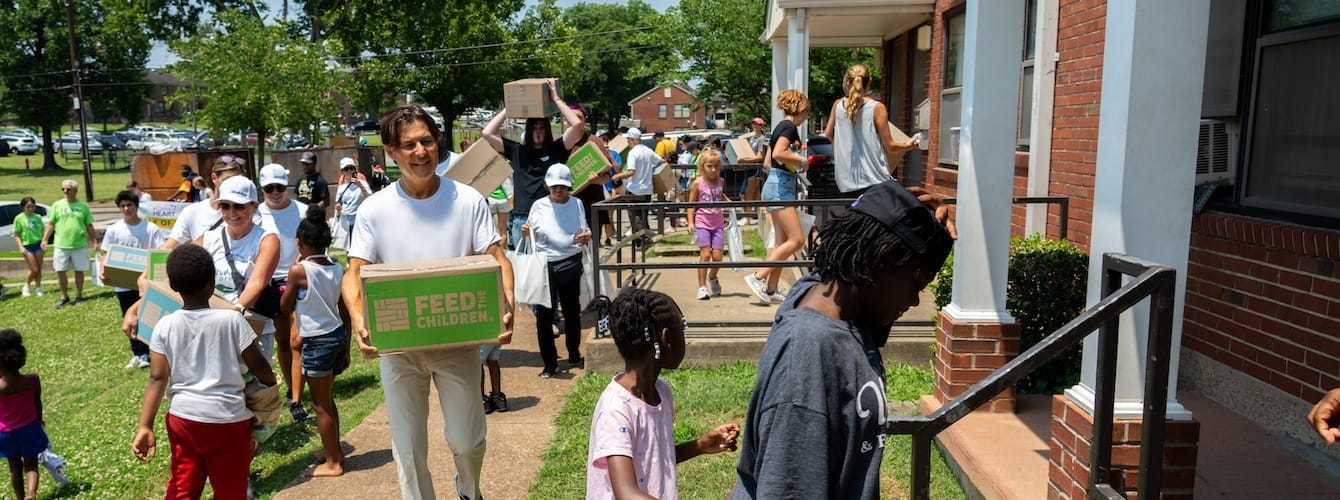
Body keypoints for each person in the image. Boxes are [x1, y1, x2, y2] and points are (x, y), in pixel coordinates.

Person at [732, 180, 954, 498]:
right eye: (916, 283)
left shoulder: (825, 291)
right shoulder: (806, 357)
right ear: (881, 263)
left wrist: (932, 237)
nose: (916, 300)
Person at [342, 105, 516, 500]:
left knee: (468, 441)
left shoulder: (468, 200)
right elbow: (354, 272)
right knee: (408, 450)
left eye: (427, 141)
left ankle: (468, 489)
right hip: (399, 347)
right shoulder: (375, 210)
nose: (421, 152)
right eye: (409, 145)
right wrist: (358, 319)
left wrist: (508, 304)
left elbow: (496, 258)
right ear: (391, 151)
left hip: (457, 341)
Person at [131, 245, 278, 499]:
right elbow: (258, 364)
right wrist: (268, 385)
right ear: (212, 284)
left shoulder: (165, 325)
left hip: (183, 418)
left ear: (173, 287)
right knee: (231, 488)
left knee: (183, 486)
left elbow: (157, 377)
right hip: (228, 419)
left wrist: (145, 425)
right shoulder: (232, 320)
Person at [585, 289, 740, 499]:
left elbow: (653, 457)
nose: (684, 336)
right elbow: (626, 492)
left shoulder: (661, 391)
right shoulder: (616, 410)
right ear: (667, 338)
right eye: (682, 327)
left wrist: (699, 446)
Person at [279, 205, 348, 476]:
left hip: (316, 341)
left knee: (320, 405)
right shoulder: (337, 267)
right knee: (327, 400)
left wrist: (292, 277)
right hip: (337, 335)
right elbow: (343, 309)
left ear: (300, 242)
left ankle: (332, 463)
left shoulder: (299, 271)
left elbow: (285, 307)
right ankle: (335, 450)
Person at [482, 77, 585, 250]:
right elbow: (487, 133)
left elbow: (576, 124)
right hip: (523, 219)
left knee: (547, 267)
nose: (538, 132)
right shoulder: (517, 150)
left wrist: (556, 99)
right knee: (526, 270)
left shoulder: (557, 149)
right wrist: (510, 108)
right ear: (528, 130)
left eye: (542, 128)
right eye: (534, 128)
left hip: (551, 214)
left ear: (547, 130)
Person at [522, 164, 591, 378]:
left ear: (568, 187)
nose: (558, 190)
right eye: (554, 187)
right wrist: (526, 232)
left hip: (570, 261)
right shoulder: (539, 206)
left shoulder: (577, 203)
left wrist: (586, 236)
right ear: (547, 186)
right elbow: (529, 233)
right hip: (545, 264)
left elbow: (585, 228)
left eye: (562, 187)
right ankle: (550, 363)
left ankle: (573, 352)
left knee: (572, 312)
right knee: (544, 316)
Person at [743, 90, 810, 305]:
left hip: (775, 185)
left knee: (782, 242)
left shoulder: (780, 126)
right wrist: (801, 161)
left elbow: (767, 163)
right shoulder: (789, 127)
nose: (806, 117)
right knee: (797, 240)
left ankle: (771, 290)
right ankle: (757, 277)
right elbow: (779, 154)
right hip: (781, 188)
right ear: (800, 109)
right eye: (806, 112)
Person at [258, 163, 311, 422]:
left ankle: (298, 397)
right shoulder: (256, 213)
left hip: (297, 278)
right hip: (268, 283)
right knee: (282, 340)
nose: (275, 192)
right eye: (269, 188)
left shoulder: (301, 210)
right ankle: (292, 388)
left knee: (297, 340)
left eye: (279, 187)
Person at [823, 63, 919, 196]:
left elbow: (828, 134)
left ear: (847, 81)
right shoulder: (877, 108)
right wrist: (908, 145)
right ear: (868, 83)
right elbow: (890, 146)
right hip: (874, 181)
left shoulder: (838, 105)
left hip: (846, 182)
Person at [100, 190, 167, 369]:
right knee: (128, 317)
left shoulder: (150, 228)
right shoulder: (114, 229)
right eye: (123, 206)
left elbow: (159, 253)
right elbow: (106, 253)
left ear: (136, 206)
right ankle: (136, 353)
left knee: (146, 316)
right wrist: (103, 271)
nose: (126, 208)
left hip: (145, 282)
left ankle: (148, 352)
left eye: (130, 205)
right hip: (122, 284)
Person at [0, 329, 49, 500]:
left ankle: (20, 498)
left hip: (6, 433)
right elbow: (37, 402)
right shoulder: (32, 380)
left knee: (14, 468)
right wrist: (39, 419)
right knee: (31, 464)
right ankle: (31, 494)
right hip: (30, 427)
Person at [162, 156, 249, 250]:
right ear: (214, 178)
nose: (233, 186)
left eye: (238, 181)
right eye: (227, 180)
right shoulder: (192, 212)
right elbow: (169, 247)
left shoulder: (250, 213)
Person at [565, 103, 616, 252]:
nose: (576, 120)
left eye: (579, 117)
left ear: (585, 120)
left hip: (592, 200)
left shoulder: (594, 141)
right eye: (572, 117)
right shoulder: (559, 142)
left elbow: (608, 174)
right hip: (567, 201)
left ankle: (592, 273)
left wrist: (598, 180)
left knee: (591, 244)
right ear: (565, 120)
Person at [42, 180, 96, 309]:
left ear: (75, 191)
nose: (65, 192)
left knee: (79, 271)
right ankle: (64, 296)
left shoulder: (83, 206)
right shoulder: (57, 205)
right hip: (61, 244)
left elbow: (89, 225)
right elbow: (51, 224)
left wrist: (94, 241)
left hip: (79, 244)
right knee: (60, 270)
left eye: (68, 189)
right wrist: (44, 239)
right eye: (63, 189)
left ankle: (79, 295)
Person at [688, 150, 729, 300]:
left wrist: (729, 204)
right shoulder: (697, 184)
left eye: (716, 167)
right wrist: (691, 222)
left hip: (717, 222)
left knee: (718, 257)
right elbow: (691, 205)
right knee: (705, 255)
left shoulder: (721, 181)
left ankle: (712, 276)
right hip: (702, 222)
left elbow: (719, 195)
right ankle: (702, 286)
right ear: (702, 166)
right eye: (709, 166)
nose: (713, 170)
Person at [610, 128, 661, 246]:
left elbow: (631, 171)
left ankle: (642, 239)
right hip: (647, 189)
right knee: (644, 215)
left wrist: (617, 176)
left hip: (634, 189)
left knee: (635, 216)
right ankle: (644, 238)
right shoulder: (648, 150)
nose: (627, 141)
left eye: (628, 139)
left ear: (633, 140)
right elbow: (660, 161)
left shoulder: (633, 153)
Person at [11, 198, 45, 297]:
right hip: (27, 246)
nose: (31, 209)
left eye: (32, 206)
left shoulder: (38, 217)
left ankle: (38, 288)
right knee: (33, 268)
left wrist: (43, 242)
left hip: (38, 244)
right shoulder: (19, 218)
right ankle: (26, 286)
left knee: (39, 268)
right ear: (23, 207)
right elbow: (16, 234)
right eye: (28, 207)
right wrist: (21, 247)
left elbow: (42, 231)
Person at [334, 157, 371, 246]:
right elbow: (338, 202)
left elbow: (370, 199)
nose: (349, 171)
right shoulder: (341, 187)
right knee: (348, 247)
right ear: (342, 172)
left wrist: (360, 186)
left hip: (359, 220)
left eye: (352, 168)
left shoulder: (362, 183)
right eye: (346, 169)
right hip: (346, 220)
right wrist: (338, 207)